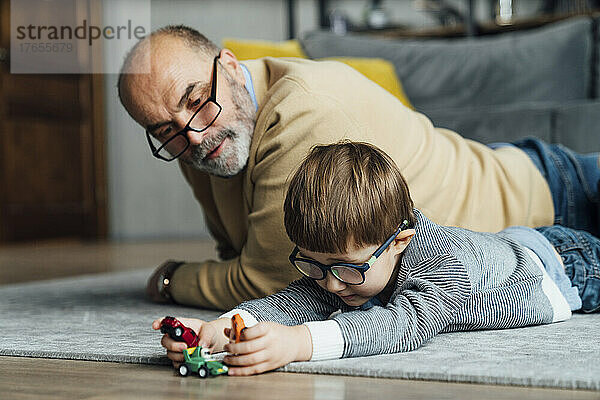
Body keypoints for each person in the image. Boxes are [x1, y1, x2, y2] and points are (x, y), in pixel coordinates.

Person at [118, 25, 600, 310]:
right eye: (164, 130)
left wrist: (172, 279)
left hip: (551, 200)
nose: (194, 136)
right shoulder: (195, 137)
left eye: (196, 100)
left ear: (227, 64)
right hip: (507, 173)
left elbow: (277, 281)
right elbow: (236, 256)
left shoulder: (303, 111)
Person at [152, 141, 599, 376]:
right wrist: (217, 330)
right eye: (314, 264)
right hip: (506, 245)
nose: (330, 284)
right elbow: (295, 301)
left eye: (347, 269)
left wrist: (298, 344)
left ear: (400, 242)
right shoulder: (342, 267)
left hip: (562, 264)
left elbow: (403, 326)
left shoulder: (443, 263)